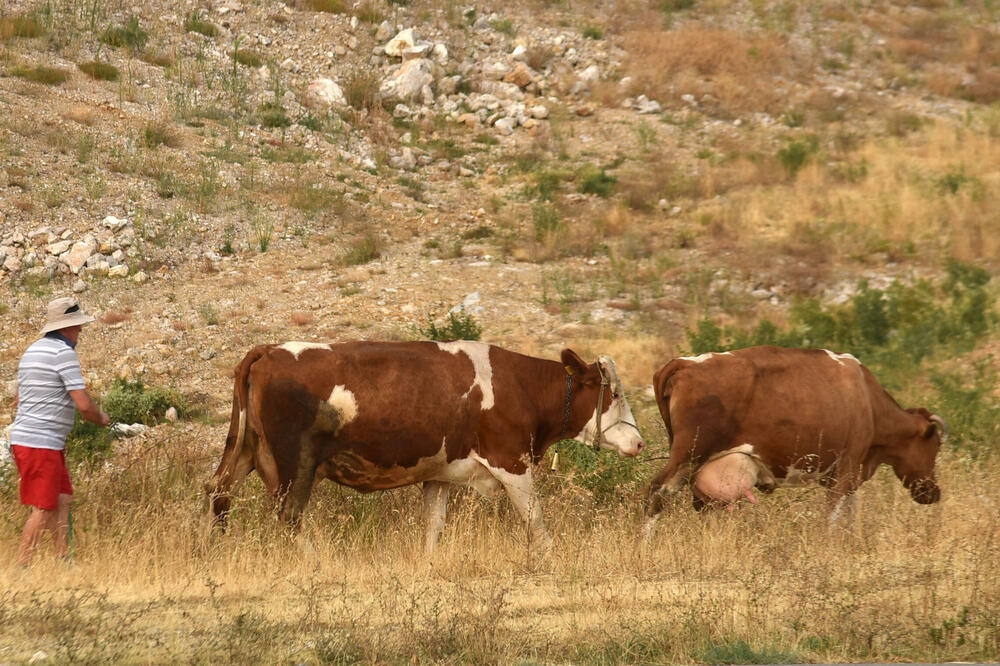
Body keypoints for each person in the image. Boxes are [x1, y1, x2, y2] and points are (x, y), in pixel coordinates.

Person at [10, 296, 109, 566]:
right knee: (44, 506)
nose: (81, 330)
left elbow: (19, 397)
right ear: (66, 327)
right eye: (77, 325)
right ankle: (22, 566)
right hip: (41, 442)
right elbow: (83, 404)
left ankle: (63, 560)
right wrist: (101, 418)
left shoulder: (33, 350)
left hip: (37, 440)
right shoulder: (63, 353)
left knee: (63, 498)